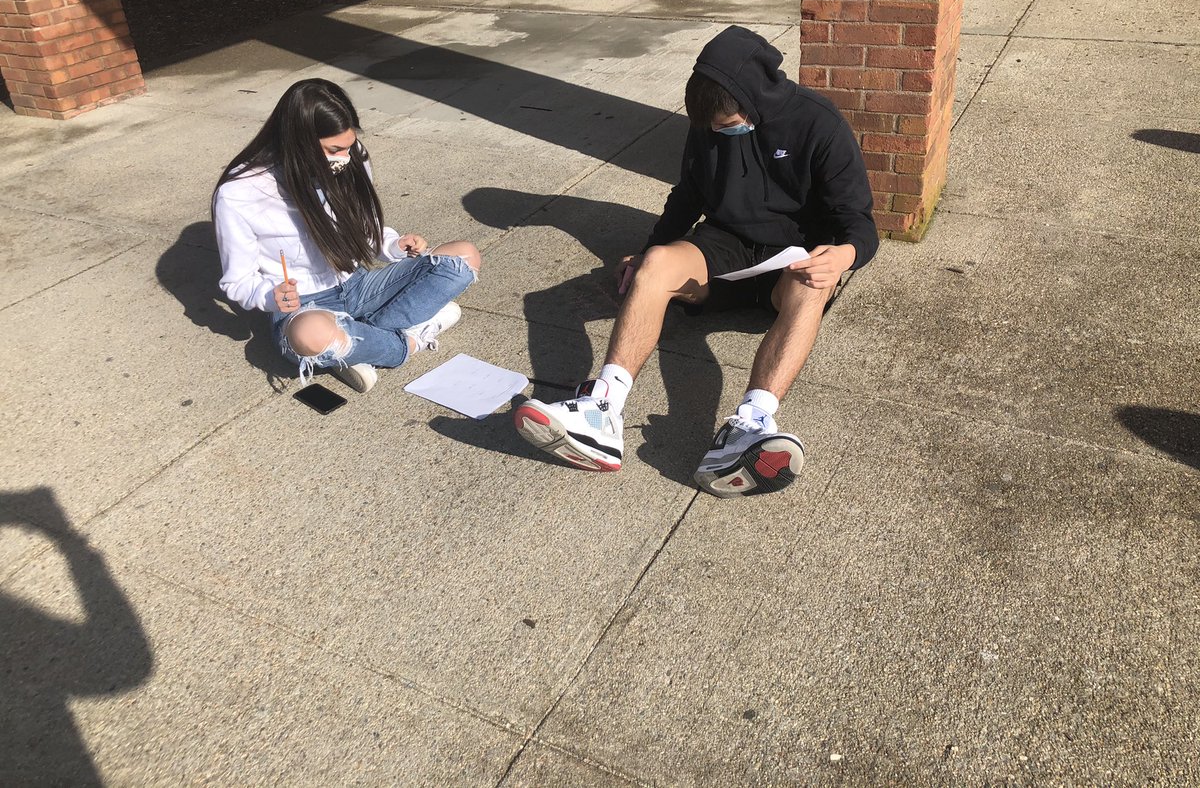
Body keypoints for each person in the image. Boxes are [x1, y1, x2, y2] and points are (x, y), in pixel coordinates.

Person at [513, 26, 877, 497]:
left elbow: (859, 221)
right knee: (655, 265)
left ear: (755, 101)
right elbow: (687, 196)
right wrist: (649, 249)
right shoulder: (707, 124)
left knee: (813, 284)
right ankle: (602, 412)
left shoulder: (820, 124)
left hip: (791, 259)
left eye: (729, 125)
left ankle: (750, 426)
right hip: (724, 247)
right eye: (713, 128)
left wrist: (846, 255)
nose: (720, 133)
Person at [213, 78, 480, 393]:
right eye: (334, 149)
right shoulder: (240, 192)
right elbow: (238, 281)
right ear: (298, 144)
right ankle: (405, 342)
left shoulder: (351, 158)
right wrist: (269, 296)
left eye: (349, 145)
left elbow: (362, 226)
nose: (345, 157)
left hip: (358, 284)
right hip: (304, 307)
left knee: (463, 256)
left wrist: (392, 244)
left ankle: (353, 344)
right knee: (310, 334)